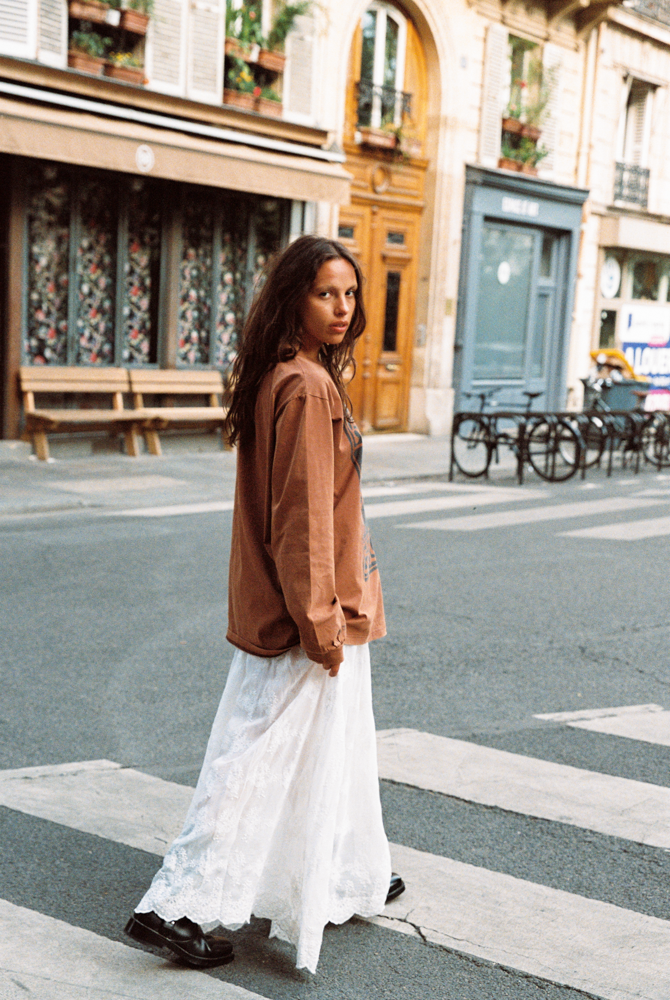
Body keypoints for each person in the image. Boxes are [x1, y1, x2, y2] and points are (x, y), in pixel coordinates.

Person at [124, 234, 404, 974]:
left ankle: (342, 870)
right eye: (326, 293)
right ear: (294, 298)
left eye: (350, 293)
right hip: (308, 613)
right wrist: (319, 625)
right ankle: (172, 905)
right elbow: (304, 519)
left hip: (294, 606)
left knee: (319, 748)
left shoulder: (284, 371)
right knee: (249, 759)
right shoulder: (308, 385)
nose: (342, 308)